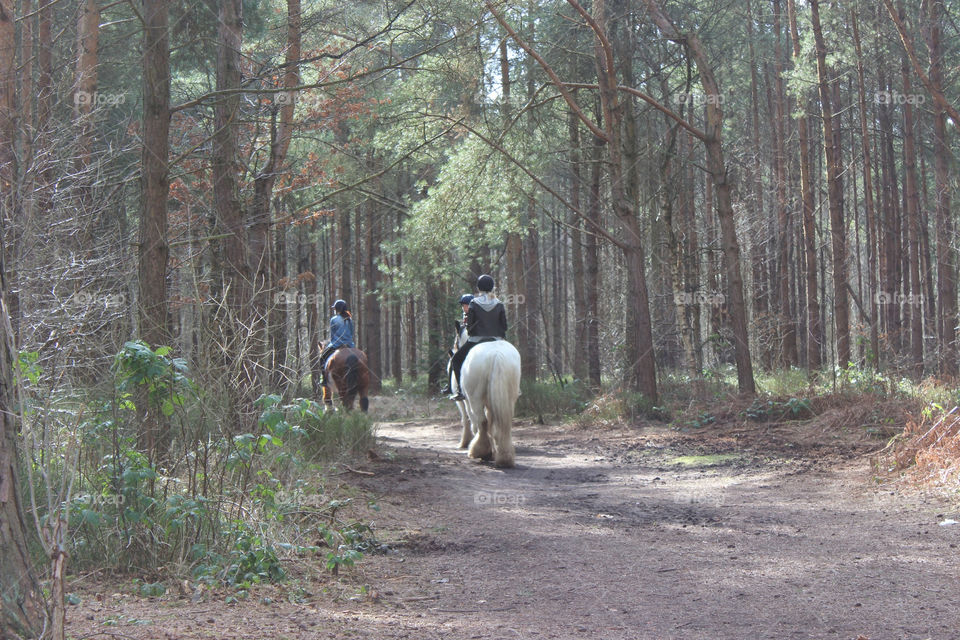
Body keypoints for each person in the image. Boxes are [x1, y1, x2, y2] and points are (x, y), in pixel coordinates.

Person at [449, 275, 507, 401]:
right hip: (496, 340)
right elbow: (504, 326)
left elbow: (470, 328)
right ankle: (515, 388)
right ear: (492, 287)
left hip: (476, 341)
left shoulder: (474, 303)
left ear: (479, 288)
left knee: (456, 360)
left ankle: (460, 390)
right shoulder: (499, 303)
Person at [318, 299, 355, 387]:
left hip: (336, 344)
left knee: (322, 359)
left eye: (335, 308)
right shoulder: (350, 319)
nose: (334, 310)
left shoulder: (334, 319)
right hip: (349, 345)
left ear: (337, 309)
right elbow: (352, 332)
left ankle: (324, 380)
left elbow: (333, 335)